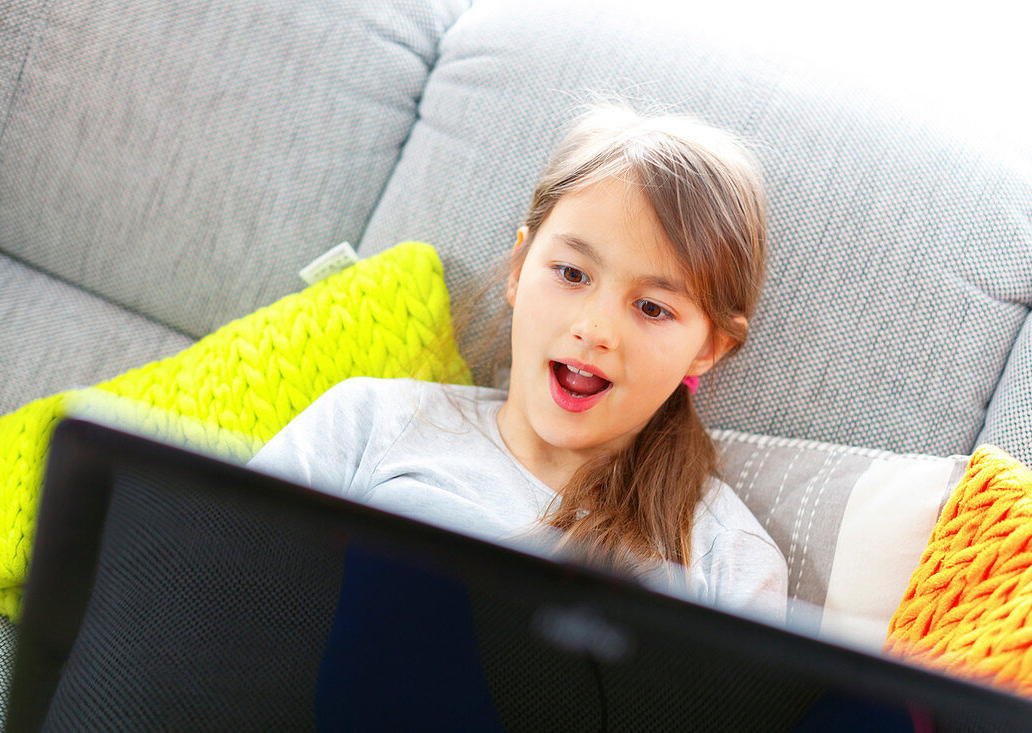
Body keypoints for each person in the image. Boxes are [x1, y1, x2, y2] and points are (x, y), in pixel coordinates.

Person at [248, 104, 788, 623]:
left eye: (652, 308)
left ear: (708, 347)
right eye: (572, 274)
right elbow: (206, 576)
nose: (594, 330)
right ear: (518, 266)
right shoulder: (369, 420)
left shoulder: (727, 560)